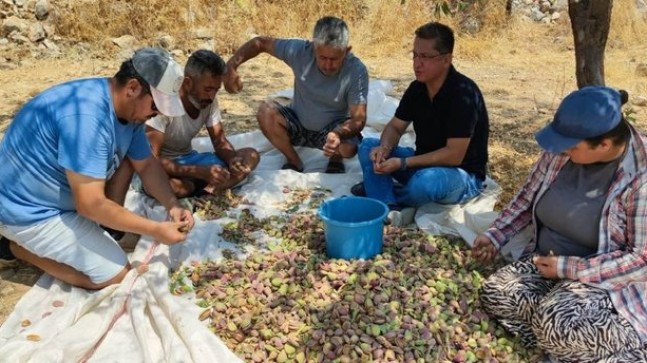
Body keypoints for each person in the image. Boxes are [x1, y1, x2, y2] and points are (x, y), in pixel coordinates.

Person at [472, 86, 647, 362]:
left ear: (603, 145)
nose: (562, 151)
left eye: (572, 147)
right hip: (547, 264)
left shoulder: (640, 177)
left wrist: (569, 269)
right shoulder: (562, 150)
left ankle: (632, 347)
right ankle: (561, 340)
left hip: (604, 280)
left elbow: (639, 260)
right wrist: (496, 235)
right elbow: (526, 198)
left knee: (556, 323)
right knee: (497, 293)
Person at [0, 47, 195, 290]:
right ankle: (15, 247)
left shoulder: (127, 109)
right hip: (28, 212)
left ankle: (98, 226)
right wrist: (156, 229)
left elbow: (146, 165)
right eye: (156, 106)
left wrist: (172, 204)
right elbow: (90, 205)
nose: (156, 114)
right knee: (115, 276)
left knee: (129, 162)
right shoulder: (87, 119)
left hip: (63, 200)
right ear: (133, 88)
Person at [351, 21, 489, 226]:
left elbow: (454, 155)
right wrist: (385, 148)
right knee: (368, 146)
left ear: (446, 60)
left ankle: (382, 193)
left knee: (425, 184)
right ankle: (389, 207)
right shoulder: (417, 89)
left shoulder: (463, 94)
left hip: (461, 175)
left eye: (425, 57)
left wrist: (403, 163)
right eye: (415, 55)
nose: (417, 63)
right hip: (423, 161)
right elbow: (395, 127)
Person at [224, 16, 368, 174]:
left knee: (349, 148)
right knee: (266, 112)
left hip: (333, 131)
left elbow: (359, 119)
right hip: (298, 124)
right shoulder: (300, 51)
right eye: (322, 58)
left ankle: (335, 157)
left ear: (346, 51)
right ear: (314, 47)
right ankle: (293, 160)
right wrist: (231, 66)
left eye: (334, 59)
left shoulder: (356, 70)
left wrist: (337, 134)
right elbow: (260, 43)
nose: (328, 65)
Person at [143, 49, 259, 198]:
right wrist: (199, 172)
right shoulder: (164, 104)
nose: (212, 97)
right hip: (164, 166)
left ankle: (207, 187)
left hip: (190, 159)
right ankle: (207, 185)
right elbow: (150, 160)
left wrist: (232, 160)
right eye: (208, 89)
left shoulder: (209, 102)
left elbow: (219, 141)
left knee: (251, 155)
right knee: (171, 187)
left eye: (216, 90)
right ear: (187, 83)